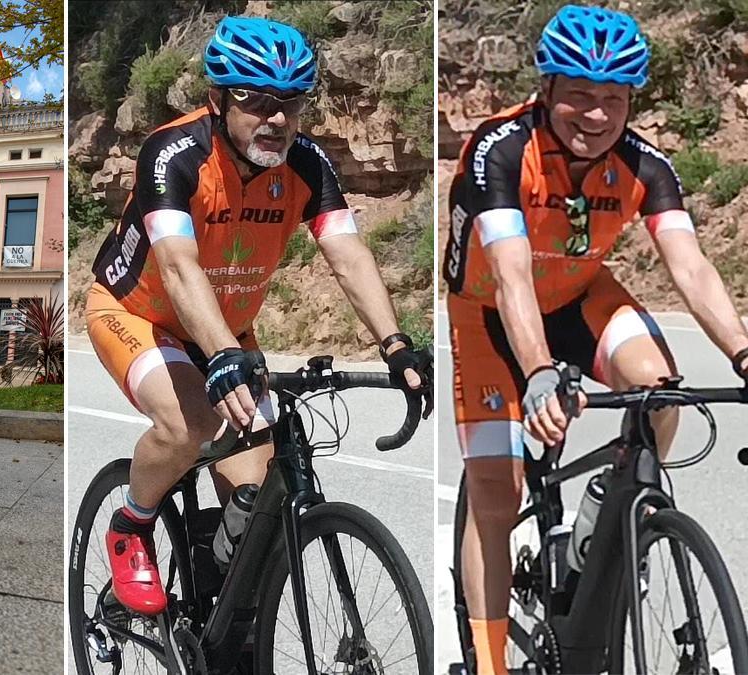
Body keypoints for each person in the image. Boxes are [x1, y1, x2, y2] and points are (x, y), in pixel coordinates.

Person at [85, 15, 431, 615]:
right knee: (192, 423)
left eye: (291, 104)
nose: (277, 119)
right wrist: (220, 357)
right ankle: (131, 525)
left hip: (227, 332)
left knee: (255, 497)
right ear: (218, 99)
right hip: (138, 315)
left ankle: (212, 599)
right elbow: (177, 267)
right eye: (258, 101)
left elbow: (348, 256)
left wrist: (396, 345)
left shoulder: (307, 164)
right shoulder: (174, 153)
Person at [443, 5, 748, 674]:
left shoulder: (645, 163)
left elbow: (690, 264)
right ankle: (490, 663)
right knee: (497, 489)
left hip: (580, 297)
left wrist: (743, 352)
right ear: (546, 89)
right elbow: (512, 274)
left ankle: (610, 521)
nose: (597, 113)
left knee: (661, 395)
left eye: (614, 98)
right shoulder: (501, 150)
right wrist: (540, 371)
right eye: (579, 94)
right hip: (490, 310)